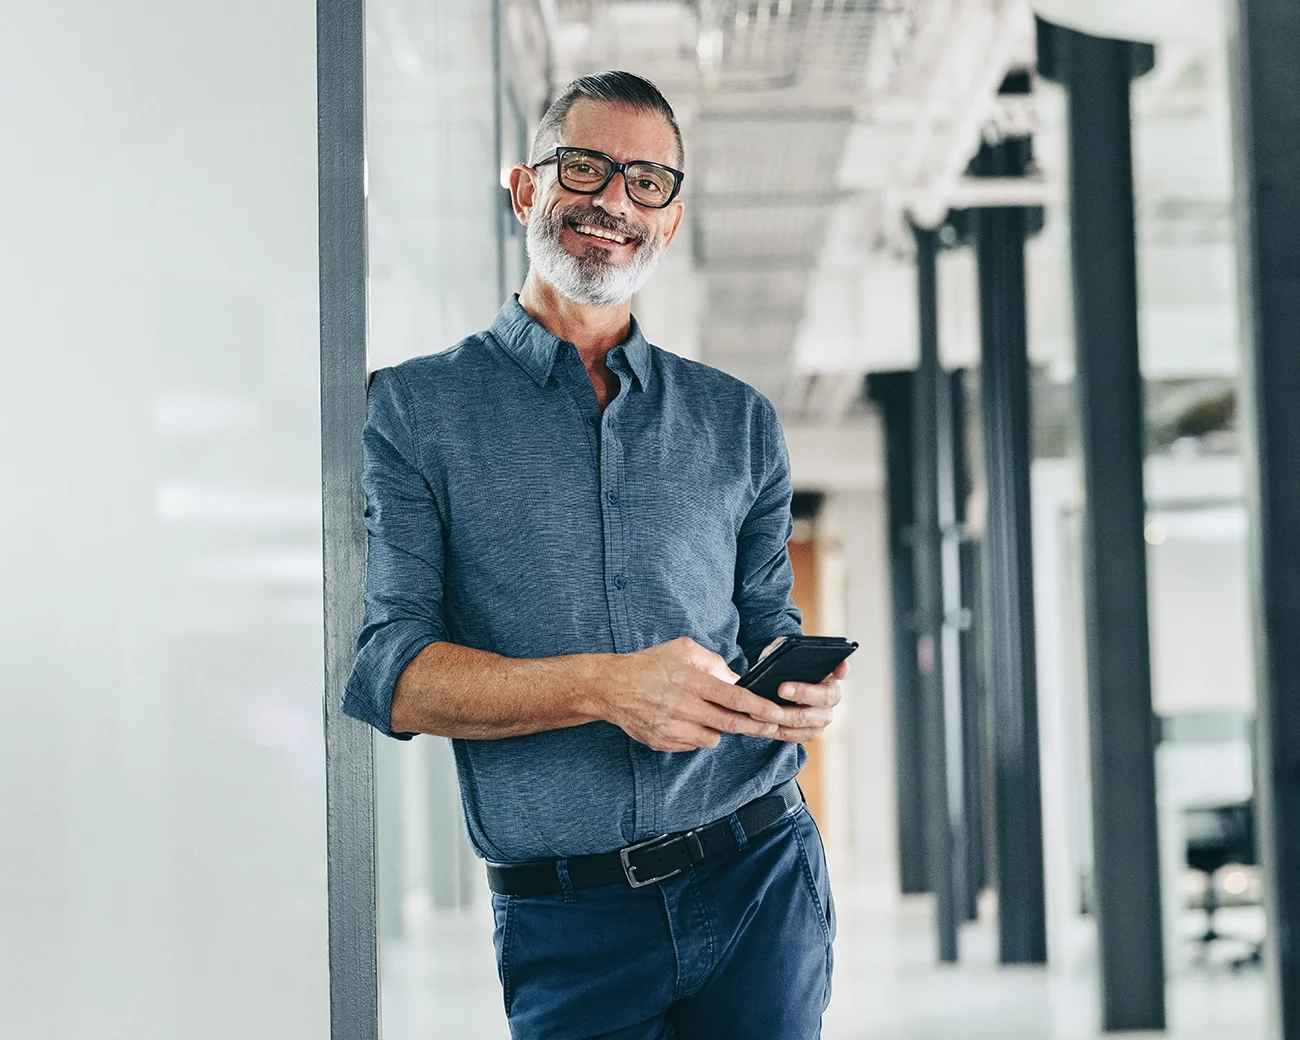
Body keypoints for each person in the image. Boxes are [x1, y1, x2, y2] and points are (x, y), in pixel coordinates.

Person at [343, 70, 847, 1040]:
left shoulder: (737, 420)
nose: (614, 200)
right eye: (586, 167)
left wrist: (798, 689)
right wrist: (605, 685)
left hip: (756, 875)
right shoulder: (415, 410)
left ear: (670, 217)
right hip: (565, 919)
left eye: (647, 181)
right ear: (528, 189)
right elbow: (390, 675)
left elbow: (765, 625)